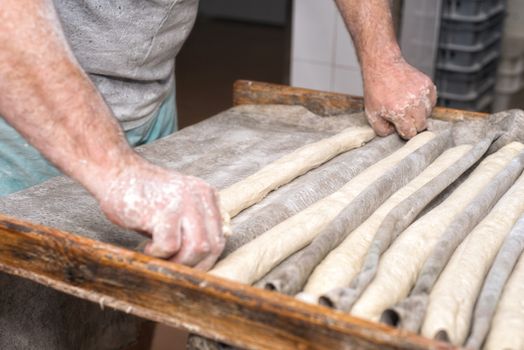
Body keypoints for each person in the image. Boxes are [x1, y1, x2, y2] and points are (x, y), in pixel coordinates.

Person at [0, 0, 436, 348]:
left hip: (149, 91)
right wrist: (119, 172)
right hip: (29, 107)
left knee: (136, 297)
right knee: (29, 315)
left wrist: (383, 57)